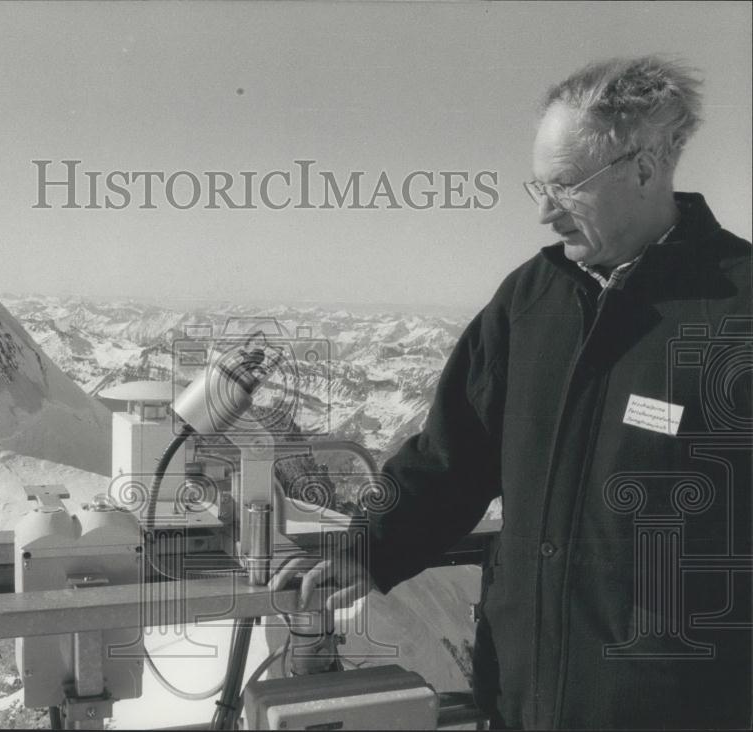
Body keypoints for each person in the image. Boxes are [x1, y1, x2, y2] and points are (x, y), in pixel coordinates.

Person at [270, 56, 752, 729]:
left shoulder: (736, 309)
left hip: (673, 708)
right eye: (537, 186)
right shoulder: (532, 300)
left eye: (566, 186)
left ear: (644, 170)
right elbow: (451, 457)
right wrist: (369, 547)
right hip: (522, 701)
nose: (543, 213)